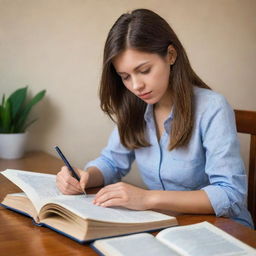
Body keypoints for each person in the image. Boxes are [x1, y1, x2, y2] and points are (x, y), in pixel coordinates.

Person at [56, 9, 253, 228]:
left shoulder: (212, 108)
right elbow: (112, 161)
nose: (136, 86)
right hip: (167, 225)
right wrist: (85, 176)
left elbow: (230, 195)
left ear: (171, 55)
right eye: (125, 77)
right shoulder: (135, 108)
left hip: (221, 228)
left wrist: (147, 198)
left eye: (144, 70)